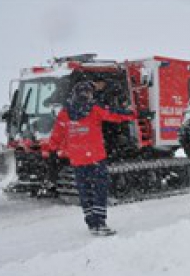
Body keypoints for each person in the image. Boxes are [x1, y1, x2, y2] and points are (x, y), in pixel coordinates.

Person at [46, 81, 137, 236]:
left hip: (77, 160)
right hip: (95, 158)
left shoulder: (65, 113)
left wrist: (51, 152)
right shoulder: (94, 109)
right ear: (88, 94)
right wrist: (133, 114)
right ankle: (100, 223)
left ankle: (91, 223)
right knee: (99, 190)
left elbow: (56, 135)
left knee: (85, 192)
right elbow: (114, 115)